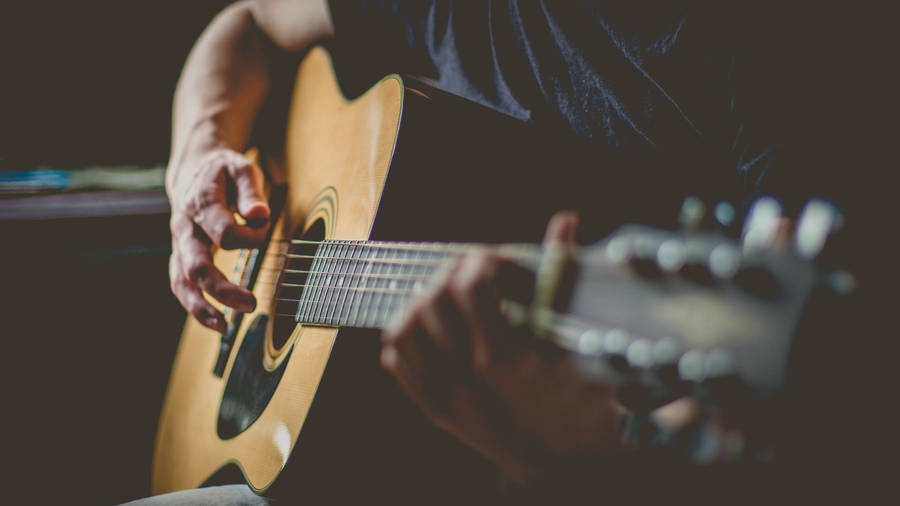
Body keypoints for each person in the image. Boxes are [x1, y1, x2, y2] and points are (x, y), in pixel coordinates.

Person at [153, 1, 864, 503]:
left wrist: (588, 459)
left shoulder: (772, 50)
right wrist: (197, 157)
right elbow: (247, 23)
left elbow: (808, 424)